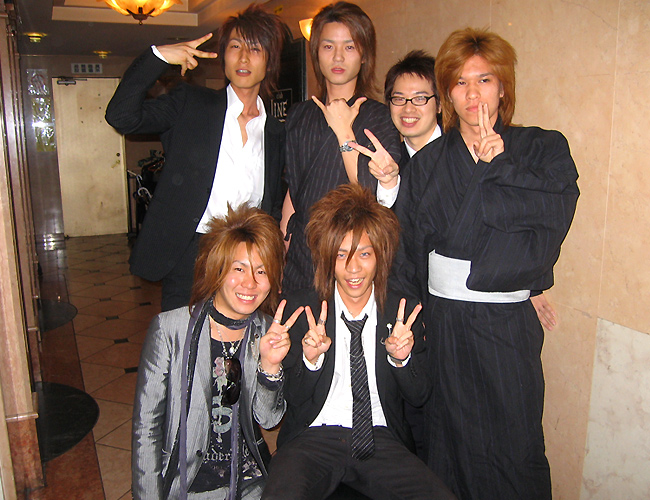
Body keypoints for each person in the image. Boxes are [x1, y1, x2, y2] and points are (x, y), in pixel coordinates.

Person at [392, 28, 580, 500]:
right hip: (444, 323)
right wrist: (410, 324)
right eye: (460, 82)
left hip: (506, 325)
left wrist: (502, 169)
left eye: (484, 79)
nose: (472, 92)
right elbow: (408, 252)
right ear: (448, 94)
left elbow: (555, 213)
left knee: (514, 439)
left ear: (503, 88)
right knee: (447, 439)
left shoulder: (541, 147)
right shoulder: (428, 164)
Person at [262, 184, 456, 500]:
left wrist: (402, 359)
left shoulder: (401, 311)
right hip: (312, 440)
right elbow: (294, 398)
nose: (353, 268)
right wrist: (311, 361)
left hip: (381, 439)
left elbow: (419, 395)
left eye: (364, 254)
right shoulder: (303, 310)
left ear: (380, 255)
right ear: (327, 259)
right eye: (341, 255)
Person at [106, 4, 288, 311]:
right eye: (235, 46)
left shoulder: (275, 132)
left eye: (255, 49)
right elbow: (121, 116)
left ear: (269, 61)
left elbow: (270, 202)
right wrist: (158, 57)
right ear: (224, 56)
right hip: (189, 254)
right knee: (183, 335)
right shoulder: (191, 104)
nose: (243, 57)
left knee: (238, 336)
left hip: (246, 258)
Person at [132, 204, 304, 500]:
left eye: (261, 271)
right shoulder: (170, 330)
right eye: (239, 268)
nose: (250, 283)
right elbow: (146, 430)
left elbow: (268, 419)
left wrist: (270, 367)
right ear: (217, 269)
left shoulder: (267, 331)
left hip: (248, 481)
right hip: (185, 482)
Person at [281, 1, 401, 294]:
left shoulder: (379, 116)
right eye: (328, 46)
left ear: (364, 55)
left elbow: (375, 196)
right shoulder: (299, 115)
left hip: (353, 258)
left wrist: (343, 130)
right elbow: (294, 190)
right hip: (302, 257)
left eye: (349, 46)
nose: (337, 56)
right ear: (316, 53)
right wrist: (281, 252)